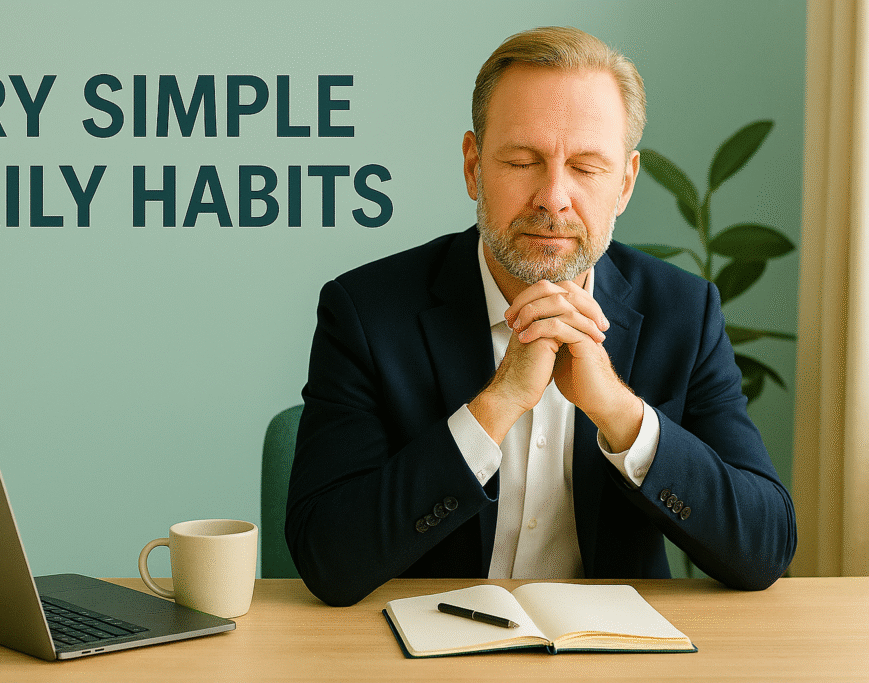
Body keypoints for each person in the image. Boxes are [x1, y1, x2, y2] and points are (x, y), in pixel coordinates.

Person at [285, 26, 796, 607]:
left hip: (610, 656)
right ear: (475, 167)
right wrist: (497, 404)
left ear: (625, 183)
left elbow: (765, 546)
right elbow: (327, 557)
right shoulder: (366, 311)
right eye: (524, 161)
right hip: (418, 652)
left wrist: (619, 411)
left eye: (585, 168)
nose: (553, 197)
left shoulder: (684, 312)